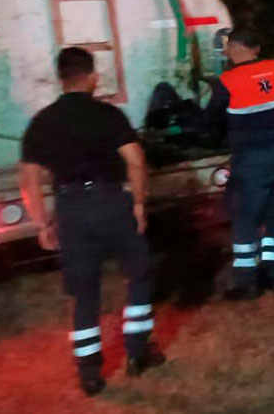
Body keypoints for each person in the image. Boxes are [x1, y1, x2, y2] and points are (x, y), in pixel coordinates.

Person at [18, 47, 165, 397]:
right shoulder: (109, 115)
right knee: (139, 273)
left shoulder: (42, 122)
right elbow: (135, 160)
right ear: (92, 77)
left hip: (71, 208)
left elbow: (29, 179)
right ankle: (137, 351)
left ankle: (89, 373)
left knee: (83, 290)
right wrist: (140, 204)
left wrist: (42, 223)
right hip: (112, 201)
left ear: (60, 79)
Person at [212, 28, 274, 300]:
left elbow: (211, 121)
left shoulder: (227, 81)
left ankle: (247, 282)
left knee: (245, 218)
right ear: (257, 48)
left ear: (232, 49)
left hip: (252, 159)